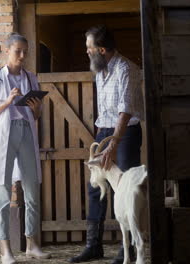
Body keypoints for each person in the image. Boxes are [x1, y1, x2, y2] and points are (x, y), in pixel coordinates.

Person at [69, 25, 144, 264]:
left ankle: (128, 250)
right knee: (95, 187)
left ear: (102, 49)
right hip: (104, 131)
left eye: (90, 49)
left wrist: (113, 145)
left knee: (125, 188)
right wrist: (103, 139)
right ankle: (94, 246)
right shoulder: (99, 70)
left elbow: (125, 111)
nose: (87, 52)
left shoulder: (126, 69)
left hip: (126, 133)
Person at [0, 32, 50, 264]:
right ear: (6, 50)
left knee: (32, 189)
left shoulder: (31, 78)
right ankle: (5, 250)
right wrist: (7, 102)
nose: (22, 56)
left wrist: (36, 108)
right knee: (2, 191)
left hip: (27, 132)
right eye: (17, 51)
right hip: (4, 134)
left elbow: (36, 115)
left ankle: (31, 244)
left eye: (25, 52)